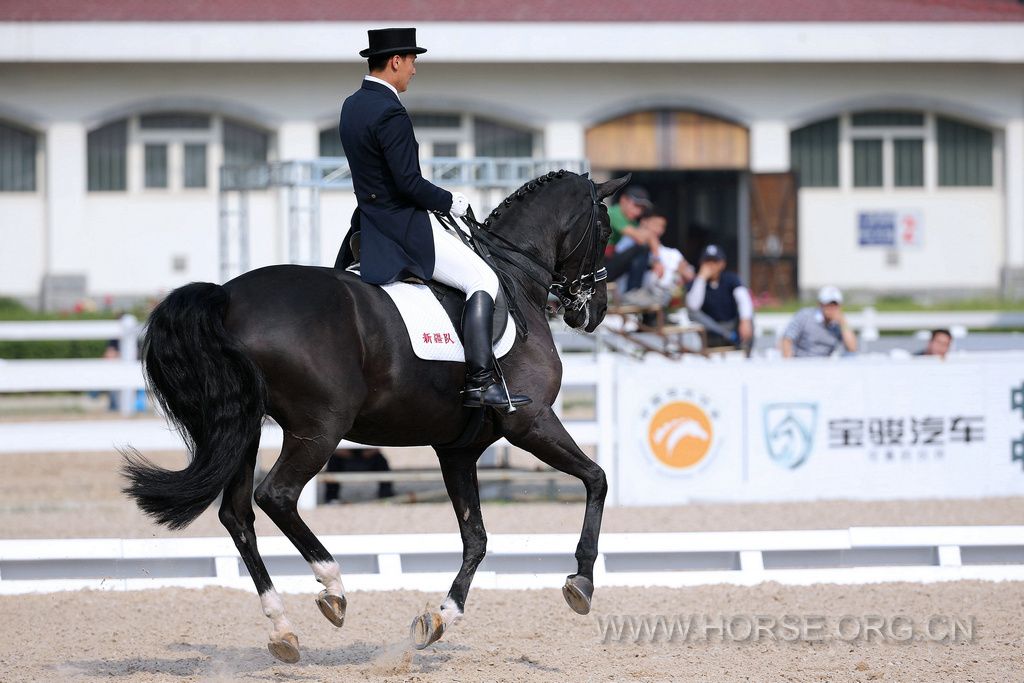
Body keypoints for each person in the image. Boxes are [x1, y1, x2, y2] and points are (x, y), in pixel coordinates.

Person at [339, 28, 528, 409]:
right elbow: (408, 183)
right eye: (412, 62)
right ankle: (480, 382)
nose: (414, 70)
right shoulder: (390, 112)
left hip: (368, 223)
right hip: (403, 226)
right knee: (482, 279)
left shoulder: (351, 105)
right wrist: (450, 201)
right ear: (395, 62)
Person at [685, 244, 754, 352]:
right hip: (710, 330)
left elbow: (744, 299)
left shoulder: (731, 279)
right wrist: (701, 278)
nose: (711, 265)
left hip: (731, 326)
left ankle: (745, 348)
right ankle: (725, 335)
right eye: (707, 261)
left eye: (715, 261)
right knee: (692, 313)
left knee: (748, 315)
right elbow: (693, 306)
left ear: (722, 264)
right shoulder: (696, 283)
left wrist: (745, 321)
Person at [621, 214, 694, 309]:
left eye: (662, 226)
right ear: (643, 222)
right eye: (655, 224)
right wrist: (656, 261)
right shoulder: (628, 245)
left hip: (664, 307)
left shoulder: (672, 253)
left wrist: (682, 273)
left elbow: (689, 274)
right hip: (627, 305)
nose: (658, 229)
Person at [780, 285, 858, 358]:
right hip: (800, 362)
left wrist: (843, 322)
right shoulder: (804, 316)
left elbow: (852, 348)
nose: (831, 308)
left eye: (834, 304)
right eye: (828, 304)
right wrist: (789, 364)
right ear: (820, 304)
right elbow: (787, 340)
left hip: (824, 365)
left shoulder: (838, 325)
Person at [607, 186, 656, 291]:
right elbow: (642, 238)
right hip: (596, 266)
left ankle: (634, 291)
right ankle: (633, 291)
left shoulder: (631, 222)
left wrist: (657, 261)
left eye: (642, 209)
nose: (638, 212)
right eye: (636, 206)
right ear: (623, 200)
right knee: (642, 249)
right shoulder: (613, 213)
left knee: (646, 260)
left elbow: (648, 237)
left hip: (608, 260)